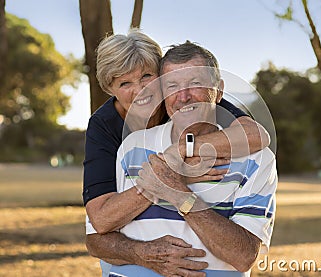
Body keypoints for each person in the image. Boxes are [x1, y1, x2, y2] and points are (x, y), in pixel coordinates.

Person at [83, 30, 270, 276]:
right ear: (111, 88)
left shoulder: (193, 99)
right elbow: (101, 221)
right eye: (125, 83)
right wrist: (168, 176)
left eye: (147, 77)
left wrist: (182, 151)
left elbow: (257, 136)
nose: (141, 90)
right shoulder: (107, 128)